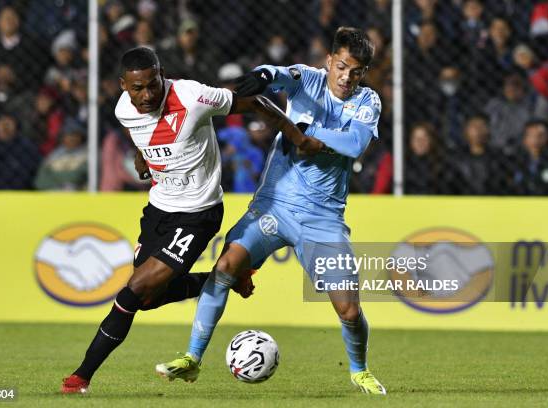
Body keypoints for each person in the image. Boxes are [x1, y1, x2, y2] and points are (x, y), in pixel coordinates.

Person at [61, 46, 322, 394]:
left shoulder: (193, 96)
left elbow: (258, 104)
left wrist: (299, 138)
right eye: (137, 88)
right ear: (124, 85)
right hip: (158, 209)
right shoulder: (124, 109)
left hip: (198, 214)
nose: (147, 94)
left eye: (153, 84)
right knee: (149, 299)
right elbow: (138, 131)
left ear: (161, 75)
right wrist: (142, 156)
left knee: (134, 291)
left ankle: (80, 377)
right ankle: (227, 277)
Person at [157, 27, 387, 395]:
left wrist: (305, 131)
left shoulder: (367, 102)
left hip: (322, 219)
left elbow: (355, 142)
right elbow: (281, 74)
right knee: (226, 267)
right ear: (329, 61)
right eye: (341, 66)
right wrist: (263, 75)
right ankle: (192, 358)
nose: (347, 77)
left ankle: (359, 370)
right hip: (274, 207)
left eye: (356, 71)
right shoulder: (308, 79)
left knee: (348, 310)